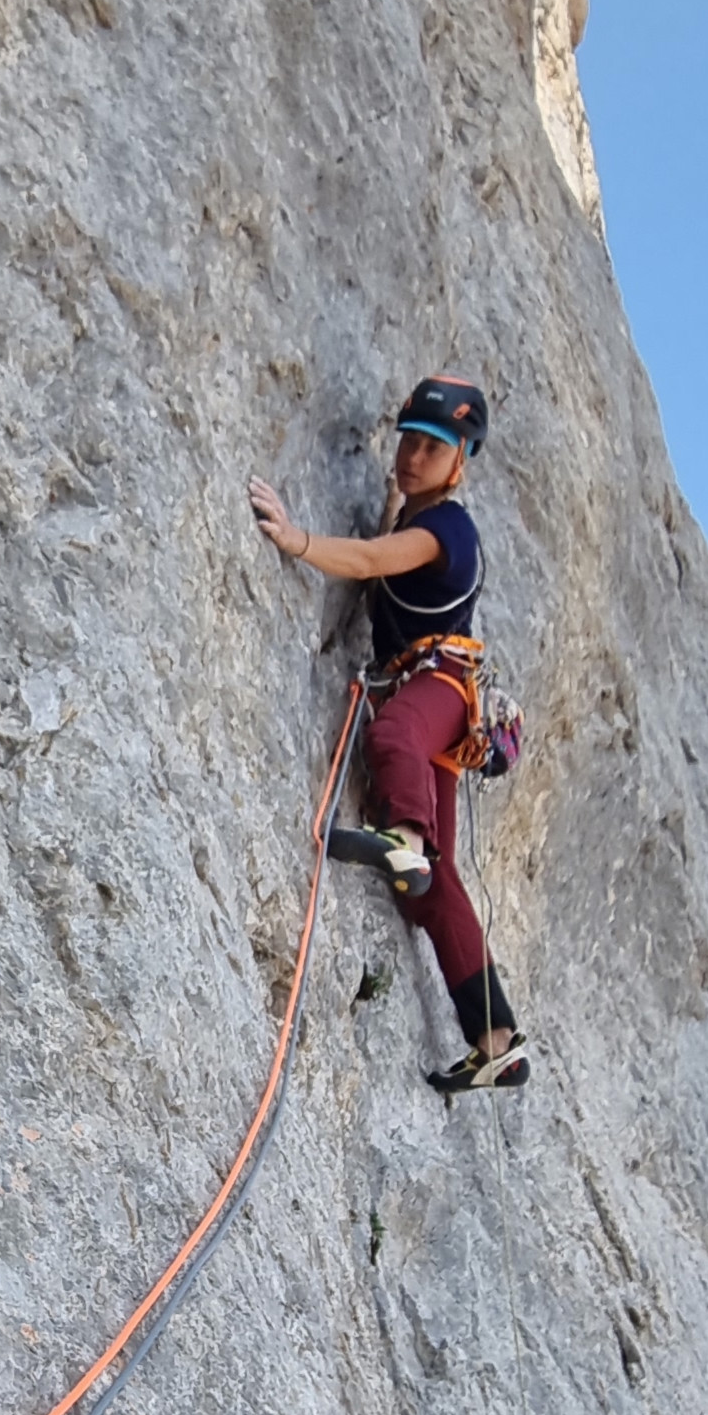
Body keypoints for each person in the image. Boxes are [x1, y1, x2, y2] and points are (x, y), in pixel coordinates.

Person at [247, 378, 527, 1094]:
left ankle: (401, 836)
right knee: (433, 886)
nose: (412, 456)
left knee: (396, 736)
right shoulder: (418, 516)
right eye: (407, 439)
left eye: (432, 448)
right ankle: (496, 1040)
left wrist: (295, 539)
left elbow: (372, 562)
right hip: (430, 693)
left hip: (436, 688)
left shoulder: (447, 531)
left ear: (460, 461)